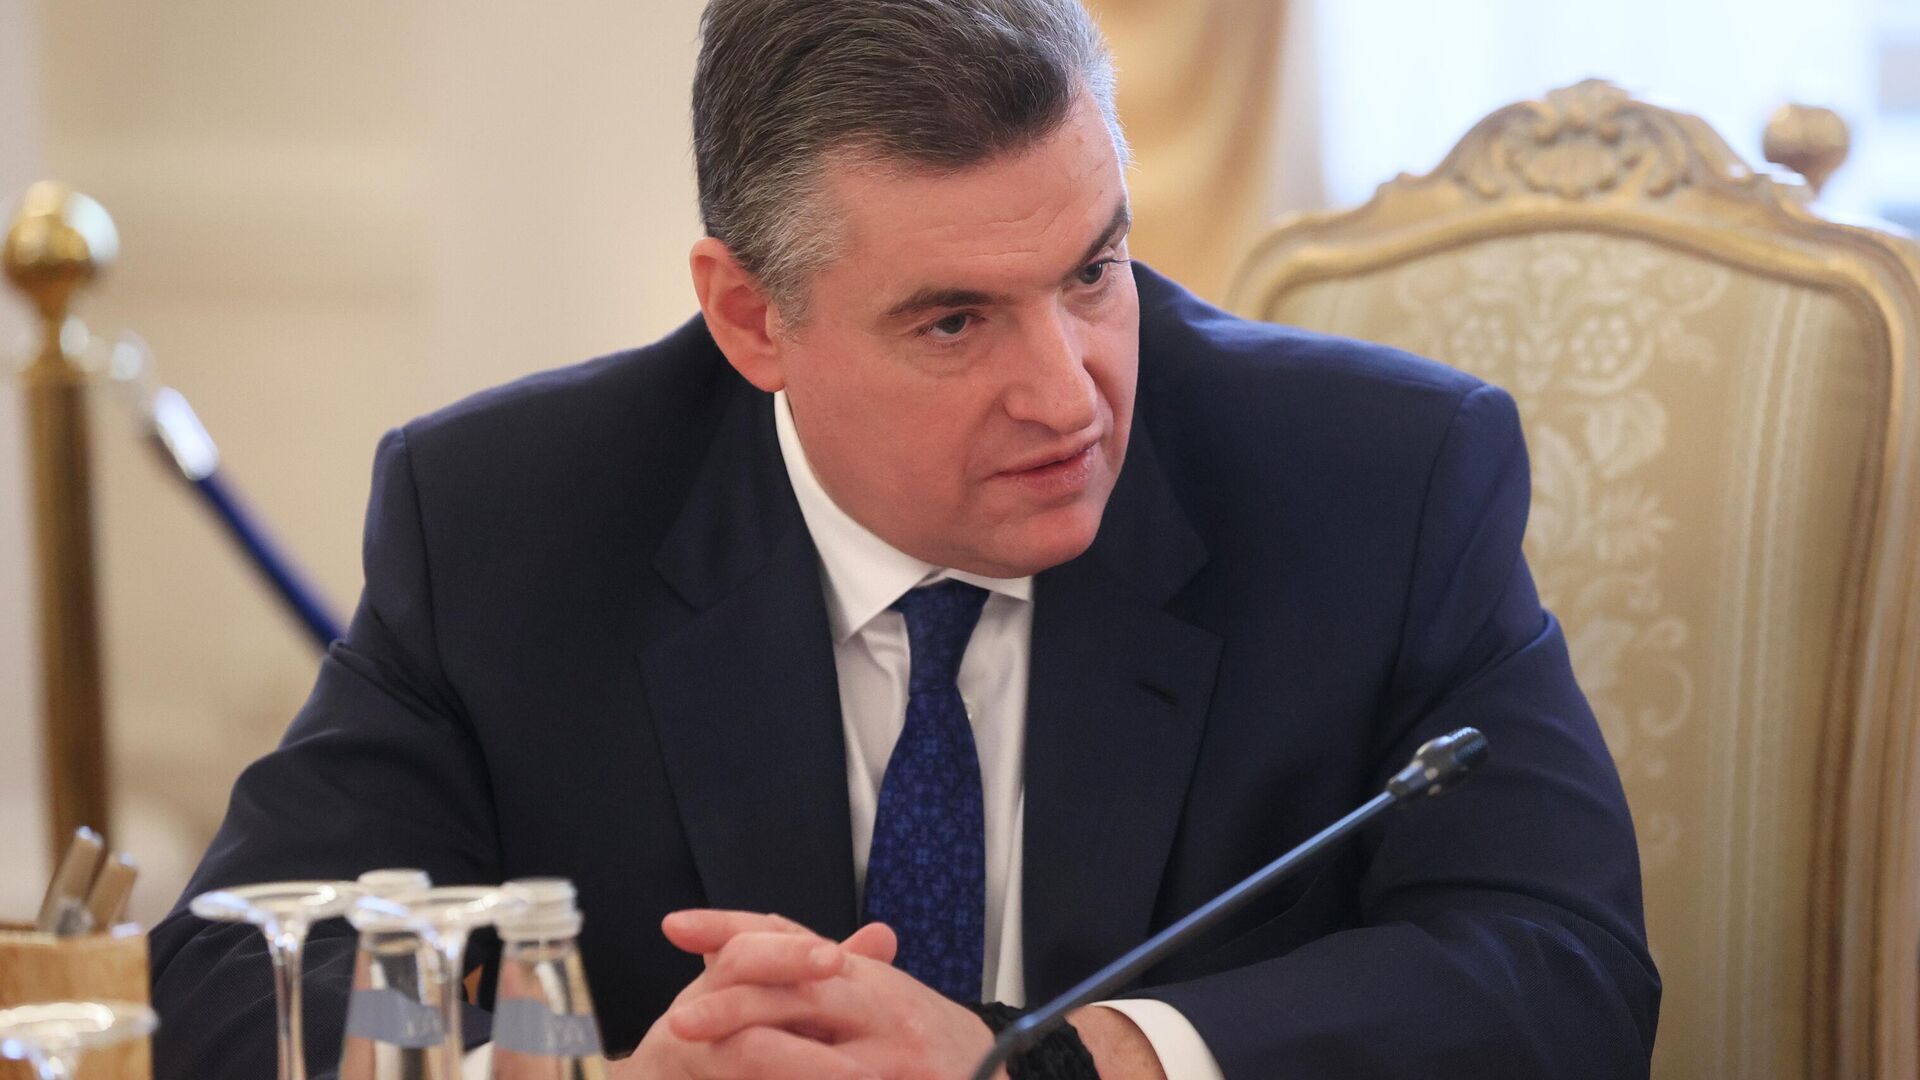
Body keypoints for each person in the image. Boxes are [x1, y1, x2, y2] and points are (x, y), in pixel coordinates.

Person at [148, 0, 1660, 1076]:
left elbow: (1562, 969)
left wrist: (1071, 1063)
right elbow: (230, 974)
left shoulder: (1374, 479)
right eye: (954, 321)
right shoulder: (511, 514)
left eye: (1093, 272)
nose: (1068, 394)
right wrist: (563, 1074)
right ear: (751, 317)